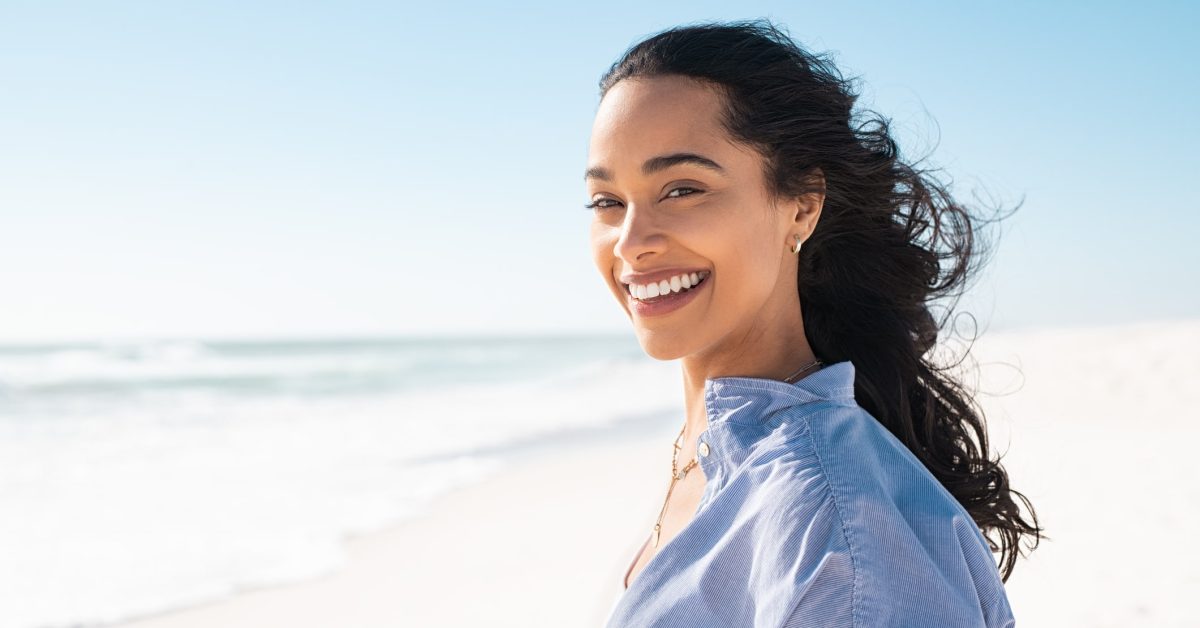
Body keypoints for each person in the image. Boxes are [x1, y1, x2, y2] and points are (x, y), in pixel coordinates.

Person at [584, 19, 1043, 627]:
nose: (631, 242)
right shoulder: (715, 452)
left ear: (801, 205)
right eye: (607, 202)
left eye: (683, 189)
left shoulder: (832, 527)